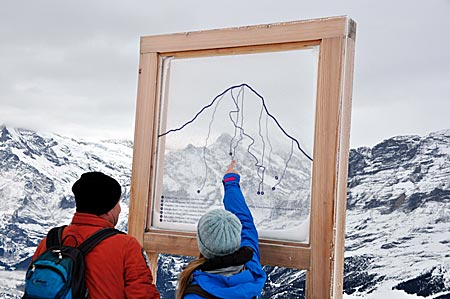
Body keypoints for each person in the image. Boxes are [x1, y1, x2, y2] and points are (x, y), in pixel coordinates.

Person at [31, 171, 160, 299]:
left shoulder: (50, 241)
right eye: (118, 203)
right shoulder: (126, 246)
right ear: (109, 209)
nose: (120, 209)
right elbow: (143, 294)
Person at [177, 160, 267, 299]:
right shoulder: (251, 267)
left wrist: (231, 181)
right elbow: (246, 222)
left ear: (202, 245)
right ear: (237, 239)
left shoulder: (195, 294)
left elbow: (245, 224)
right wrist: (231, 182)